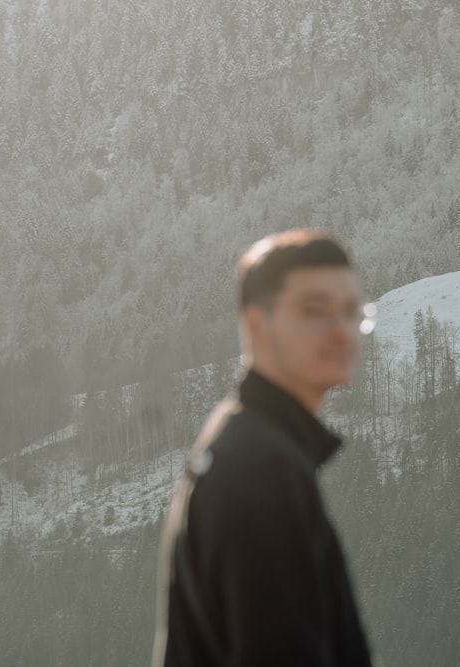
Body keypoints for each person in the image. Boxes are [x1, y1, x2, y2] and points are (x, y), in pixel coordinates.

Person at [152, 230, 375, 666]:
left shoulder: (239, 437)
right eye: (315, 312)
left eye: (352, 312)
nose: (341, 331)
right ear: (256, 325)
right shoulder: (262, 469)